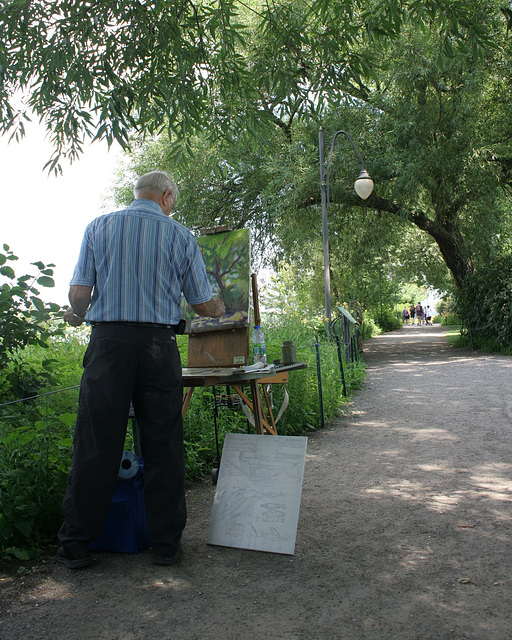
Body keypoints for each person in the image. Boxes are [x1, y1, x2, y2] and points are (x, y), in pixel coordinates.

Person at [57, 171, 226, 569]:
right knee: (162, 444)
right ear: (166, 196)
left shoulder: (99, 226)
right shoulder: (180, 235)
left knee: (96, 442)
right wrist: (221, 307)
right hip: (157, 347)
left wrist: (78, 314)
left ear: (138, 193)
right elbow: (203, 303)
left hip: (108, 346)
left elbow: (80, 294)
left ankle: (76, 546)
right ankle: (166, 545)